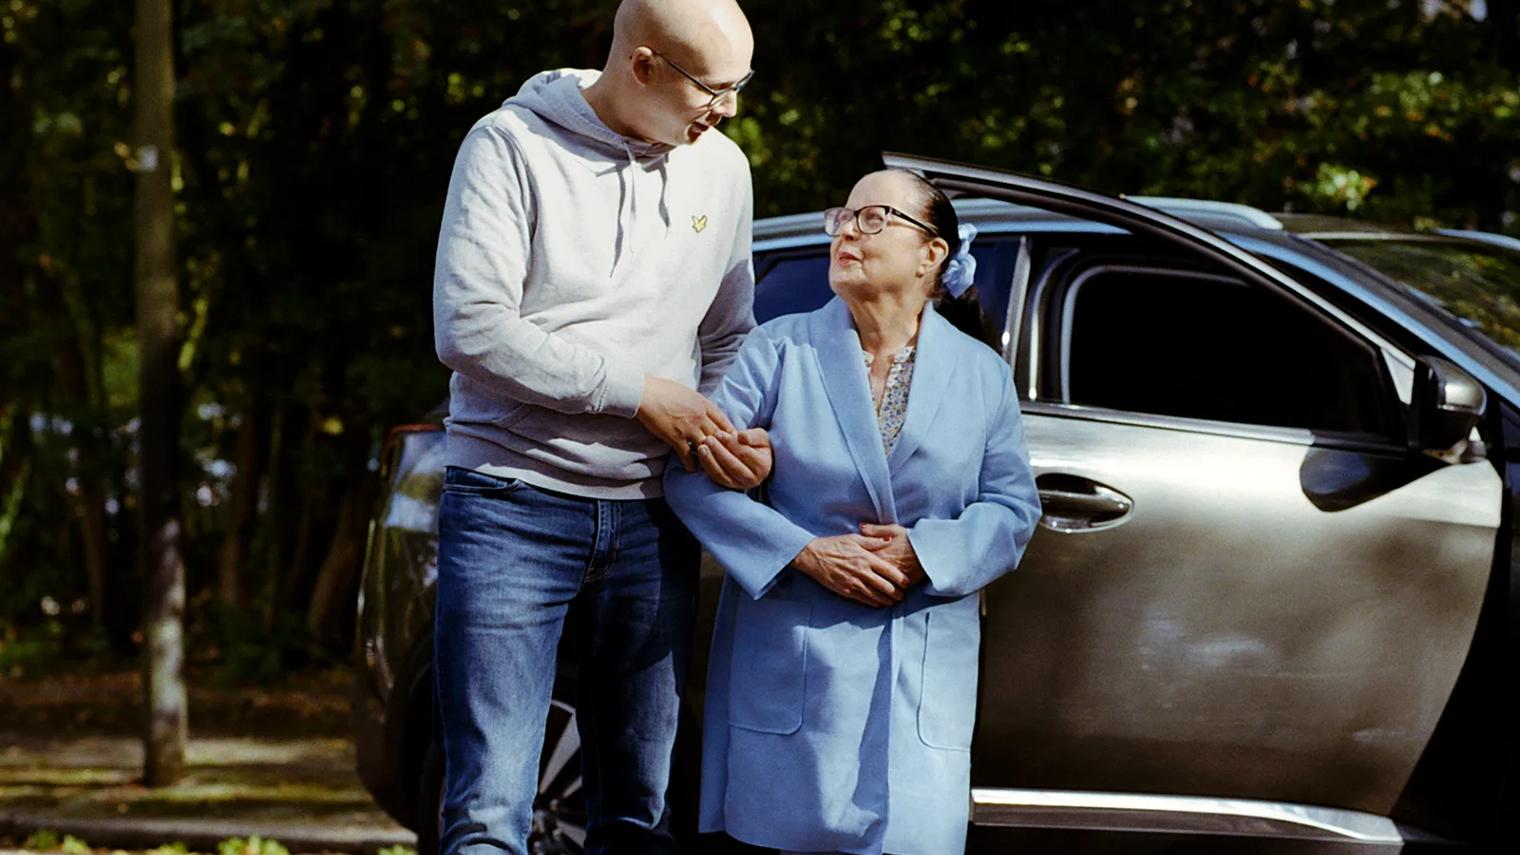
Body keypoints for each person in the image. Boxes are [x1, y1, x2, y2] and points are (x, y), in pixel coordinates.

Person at [429, 1, 768, 853]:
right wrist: (641, 394)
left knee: (638, 812)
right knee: (488, 811)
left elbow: (729, 335)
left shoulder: (723, 169)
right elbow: (470, 328)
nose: (729, 109)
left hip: (655, 515)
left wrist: (722, 428)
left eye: (740, 85)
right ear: (643, 65)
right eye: (713, 88)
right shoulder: (509, 145)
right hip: (510, 503)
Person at [664, 169, 1043, 855]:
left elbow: (1014, 510)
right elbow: (690, 479)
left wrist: (923, 553)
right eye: (842, 216)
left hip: (918, 672)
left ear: (931, 254)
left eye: (873, 218)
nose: (846, 231)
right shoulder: (778, 348)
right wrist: (805, 552)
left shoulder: (982, 372)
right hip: (796, 663)